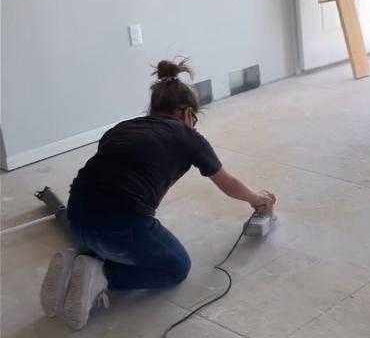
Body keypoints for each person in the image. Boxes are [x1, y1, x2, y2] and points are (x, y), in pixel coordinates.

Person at [39, 58, 276, 330]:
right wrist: (257, 198)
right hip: (118, 224)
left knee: (112, 237)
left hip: (77, 216)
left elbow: (120, 176)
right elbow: (229, 183)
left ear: (152, 108)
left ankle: (77, 263)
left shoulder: (121, 129)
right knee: (175, 268)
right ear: (188, 114)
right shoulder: (187, 136)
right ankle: (102, 274)